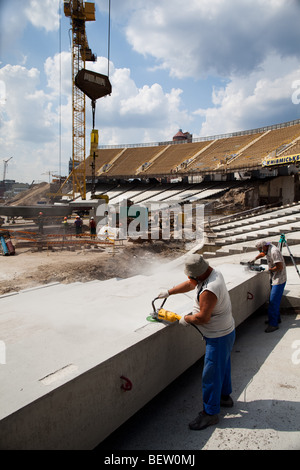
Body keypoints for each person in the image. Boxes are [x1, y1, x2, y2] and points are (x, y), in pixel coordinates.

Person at [157, 254, 235, 431]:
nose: (189, 278)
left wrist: (186, 319)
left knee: (211, 375)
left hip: (218, 336)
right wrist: (169, 292)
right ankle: (224, 398)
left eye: (191, 275)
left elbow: (203, 317)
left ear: (198, 274)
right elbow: (191, 284)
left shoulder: (209, 289)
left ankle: (210, 414)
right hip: (226, 332)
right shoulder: (212, 272)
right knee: (223, 367)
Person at [250, 240, 286, 333]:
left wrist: (268, 269)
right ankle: (276, 319)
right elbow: (262, 253)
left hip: (279, 279)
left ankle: (273, 325)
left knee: (273, 301)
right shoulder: (267, 248)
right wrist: (254, 259)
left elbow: (280, 267)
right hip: (274, 278)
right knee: (275, 300)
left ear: (264, 246)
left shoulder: (274, 251)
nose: (260, 252)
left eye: (260, 249)